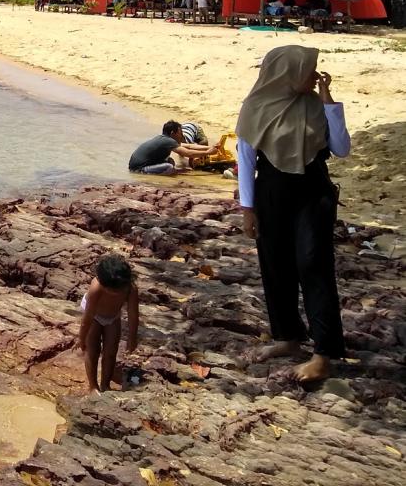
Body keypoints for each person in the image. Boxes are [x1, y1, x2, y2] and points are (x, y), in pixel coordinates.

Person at [236, 46, 352, 382]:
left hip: (313, 190)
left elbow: (342, 149)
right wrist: (247, 209)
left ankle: (324, 352)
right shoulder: (255, 106)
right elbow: (245, 161)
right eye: (308, 70)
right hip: (271, 190)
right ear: (286, 72)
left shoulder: (316, 106)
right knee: (275, 264)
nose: (314, 76)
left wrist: (329, 100)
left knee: (313, 264)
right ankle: (288, 336)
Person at [78, 254, 140, 393]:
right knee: (92, 350)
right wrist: (82, 337)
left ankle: (105, 384)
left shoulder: (130, 289)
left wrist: (132, 338)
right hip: (94, 316)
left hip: (113, 316)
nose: (114, 293)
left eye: (117, 291)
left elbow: (133, 315)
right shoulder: (96, 287)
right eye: (110, 290)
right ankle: (93, 386)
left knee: (111, 351)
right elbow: (87, 317)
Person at [128, 121, 219, 175]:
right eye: (180, 133)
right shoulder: (168, 141)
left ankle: (176, 171)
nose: (181, 136)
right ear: (173, 133)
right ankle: (175, 172)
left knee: (170, 161)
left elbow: (189, 146)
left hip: (136, 166)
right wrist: (209, 153)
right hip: (138, 169)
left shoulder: (164, 139)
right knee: (169, 167)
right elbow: (188, 153)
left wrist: (210, 147)